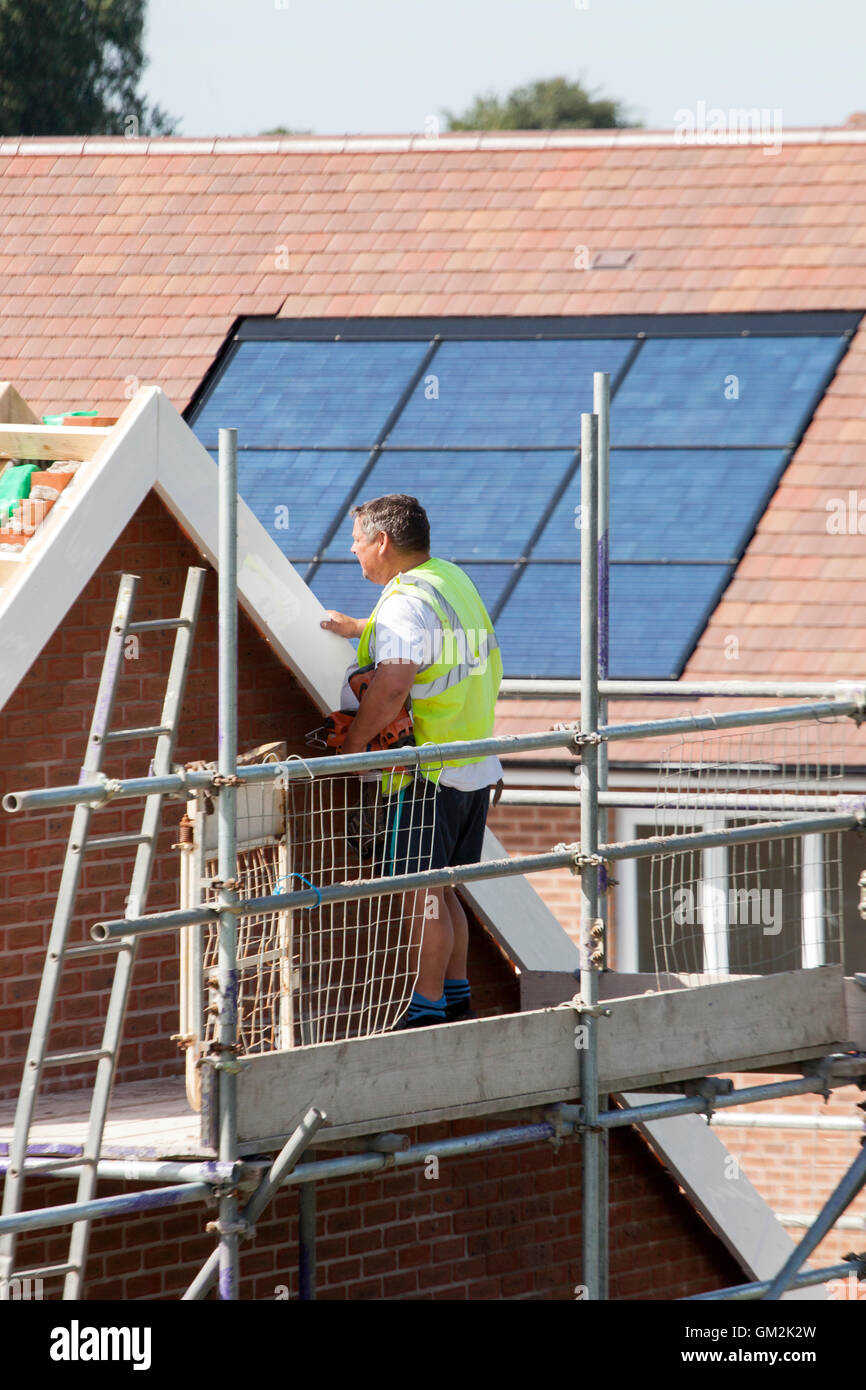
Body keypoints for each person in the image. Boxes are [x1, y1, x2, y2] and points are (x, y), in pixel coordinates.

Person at [320, 494, 503, 1029]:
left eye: (357, 542)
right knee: (443, 890)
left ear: (382, 542)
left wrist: (354, 743)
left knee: (418, 892)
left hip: (426, 770)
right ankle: (456, 995)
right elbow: (432, 641)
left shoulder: (404, 602)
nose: (353, 552)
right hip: (472, 761)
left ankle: (425, 1011)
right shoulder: (448, 579)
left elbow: (395, 681)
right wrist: (359, 628)